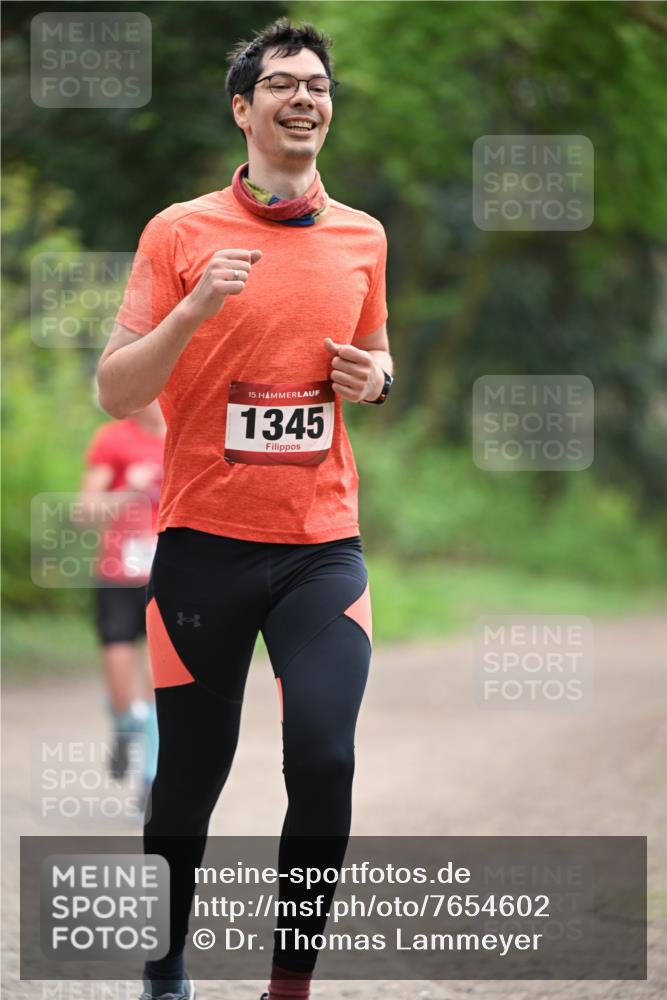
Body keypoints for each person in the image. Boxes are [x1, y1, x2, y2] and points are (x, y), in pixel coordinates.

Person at [97, 17, 393, 1000]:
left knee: (323, 756)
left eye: (317, 84)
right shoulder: (179, 233)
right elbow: (112, 387)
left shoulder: (364, 236)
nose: (304, 97)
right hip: (200, 552)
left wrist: (375, 378)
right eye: (281, 84)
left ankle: (288, 983)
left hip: (321, 550)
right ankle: (164, 962)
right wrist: (192, 313)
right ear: (243, 107)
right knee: (188, 776)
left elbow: (376, 353)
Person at [79, 400, 166, 801]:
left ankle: (149, 779)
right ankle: (124, 727)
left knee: (157, 684)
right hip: (118, 577)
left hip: (167, 577)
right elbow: (85, 511)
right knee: (121, 691)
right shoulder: (113, 440)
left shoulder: (187, 435)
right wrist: (128, 489)